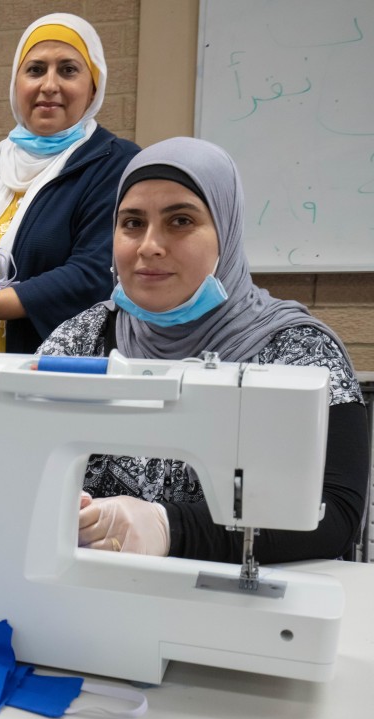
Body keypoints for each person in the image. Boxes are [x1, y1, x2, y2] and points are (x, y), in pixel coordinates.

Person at [38, 137, 369, 563]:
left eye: (180, 221)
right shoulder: (79, 340)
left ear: (226, 233)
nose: (149, 246)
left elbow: (337, 515)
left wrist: (170, 528)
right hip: (94, 596)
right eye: (132, 223)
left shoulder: (299, 351)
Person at [0, 13, 139, 354]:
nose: (49, 85)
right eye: (35, 70)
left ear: (94, 85)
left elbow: (93, 274)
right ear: (16, 82)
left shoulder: (114, 164)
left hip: (55, 379)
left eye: (68, 70)